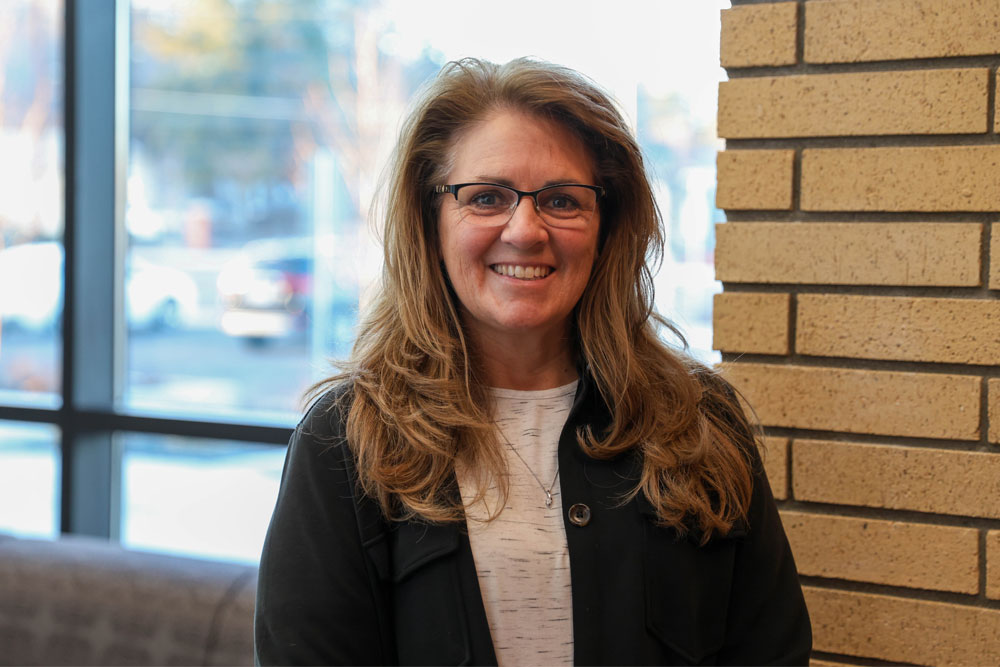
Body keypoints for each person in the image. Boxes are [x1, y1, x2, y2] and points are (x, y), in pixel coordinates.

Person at [254, 57, 811, 666]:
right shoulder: (345, 444)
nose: (525, 230)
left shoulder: (700, 423)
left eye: (562, 200)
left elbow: (770, 652)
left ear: (607, 226)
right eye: (487, 197)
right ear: (429, 220)